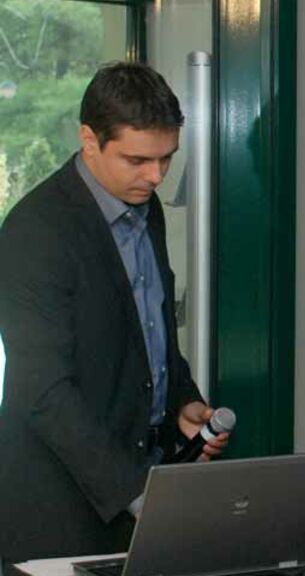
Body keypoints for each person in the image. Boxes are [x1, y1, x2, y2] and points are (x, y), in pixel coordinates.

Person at [0, 62, 229, 563]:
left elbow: (149, 331)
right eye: (137, 160)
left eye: (166, 158)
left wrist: (181, 402)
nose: (156, 176)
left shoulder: (145, 206)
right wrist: (138, 495)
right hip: (58, 509)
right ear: (89, 140)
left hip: (141, 480)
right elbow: (42, 391)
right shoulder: (33, 233)